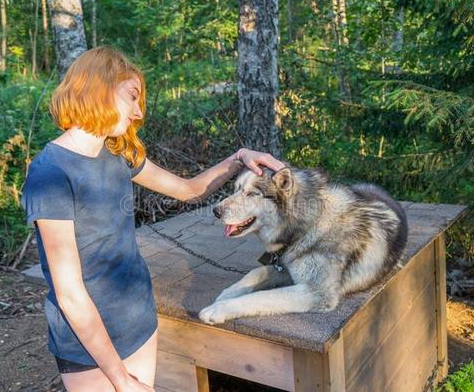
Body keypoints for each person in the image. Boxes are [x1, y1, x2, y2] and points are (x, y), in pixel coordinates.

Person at [20, 46, 285, 392]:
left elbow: (188, 189)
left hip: (139, 320)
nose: (138, 111)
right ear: (98, 87)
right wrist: (121, 381)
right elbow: (70, 294)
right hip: (86, 345)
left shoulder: (118, 153)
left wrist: (239, 158)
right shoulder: (50, 173)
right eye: (132, 96)